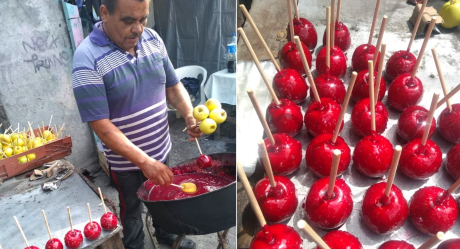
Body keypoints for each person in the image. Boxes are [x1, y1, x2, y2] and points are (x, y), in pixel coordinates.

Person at [71, 0, 201, 248]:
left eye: (143, 19)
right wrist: (144, 161)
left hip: (161, 150)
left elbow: (173, 87)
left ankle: (167, 236)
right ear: (105, 13)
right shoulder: (86, 59)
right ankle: (134, 245)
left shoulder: (152, 39)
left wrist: (188, 114)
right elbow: (102, 126)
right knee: (131, 209)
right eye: (129, 20)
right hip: (126, 164)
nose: (138, 29)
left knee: (163, 198)